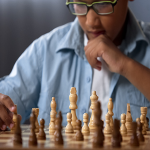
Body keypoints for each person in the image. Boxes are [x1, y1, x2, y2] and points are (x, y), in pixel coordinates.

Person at [0, 0, 150, 130]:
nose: (91, 21)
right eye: (79, 3)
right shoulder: (44, 51)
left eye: (103, 3)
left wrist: (126, 66)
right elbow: (6, 104)